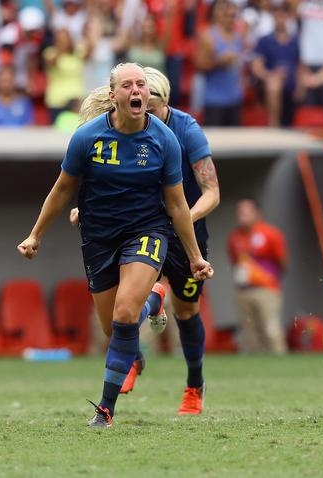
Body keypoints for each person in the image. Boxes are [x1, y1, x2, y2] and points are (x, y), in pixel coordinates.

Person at [17, 62, 214, 429]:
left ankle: (105, 409)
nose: (137, 91)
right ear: (114, 96)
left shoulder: (168, 137)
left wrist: (195, 256)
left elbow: (176, 203)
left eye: (142, 84)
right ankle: (152, 306)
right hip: (99, 236)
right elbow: (63, 188)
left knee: (130, 314)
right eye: (129, 85)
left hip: (147, 231)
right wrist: (36, 234)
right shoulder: (87, 138)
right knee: (114, 328)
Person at [70, 66, 220, 415]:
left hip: (184, 227)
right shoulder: (123, 124)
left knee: (186, 311)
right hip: (142, 226)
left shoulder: (185, 130)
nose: (143, 114)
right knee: (119, 314)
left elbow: (212, 192)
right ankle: (131, 356)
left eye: (150, 106)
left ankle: (194, 385)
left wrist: (184, 218)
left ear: (163, 103)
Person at [228, 198, 288, 354]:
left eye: (247, 212)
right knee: (250, 332)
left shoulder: (271, 234)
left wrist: (268, 278)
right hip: (243, 290)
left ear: (257, 213)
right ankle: (258, 368)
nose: (242, 216)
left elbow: (282, 261)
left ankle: (281, 362)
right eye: (240, 212)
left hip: (266, 289)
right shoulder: (234, 237)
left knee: (271, 329)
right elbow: (234, 261)